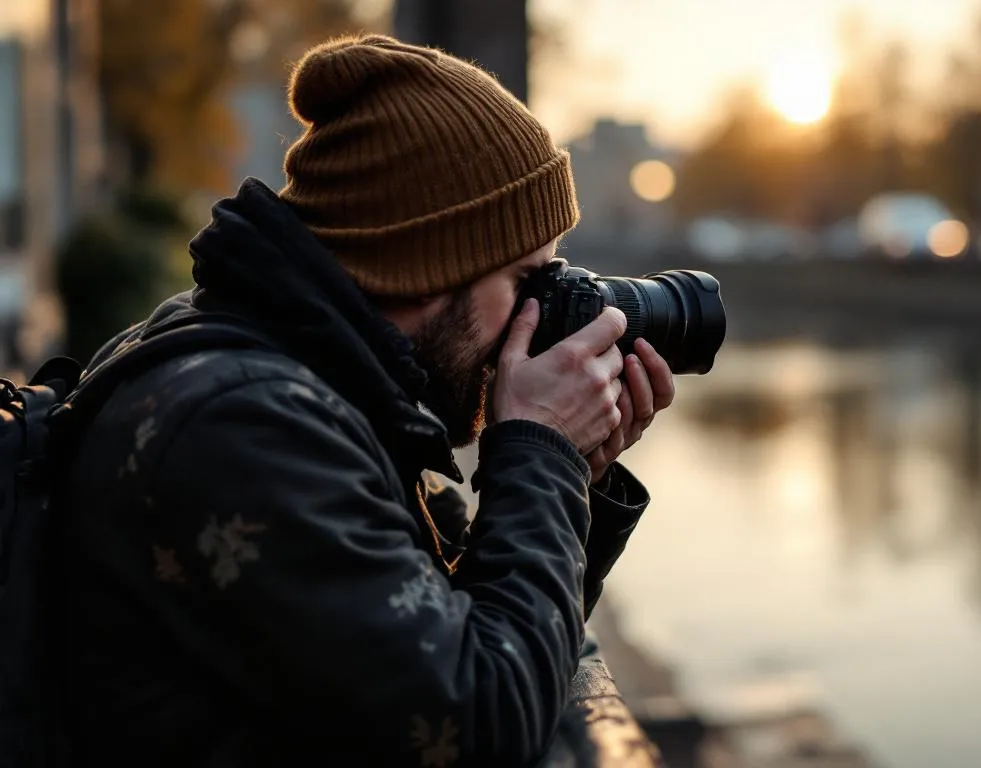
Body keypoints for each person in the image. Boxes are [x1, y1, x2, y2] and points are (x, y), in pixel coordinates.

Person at [50, 34, 674, 766]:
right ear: (427, 264)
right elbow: (478, 723)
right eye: (523, 280)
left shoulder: (315, 386)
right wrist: (541, 455)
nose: (543, 309)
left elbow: (461, 629)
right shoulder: (246, 425)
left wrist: (578, 483)